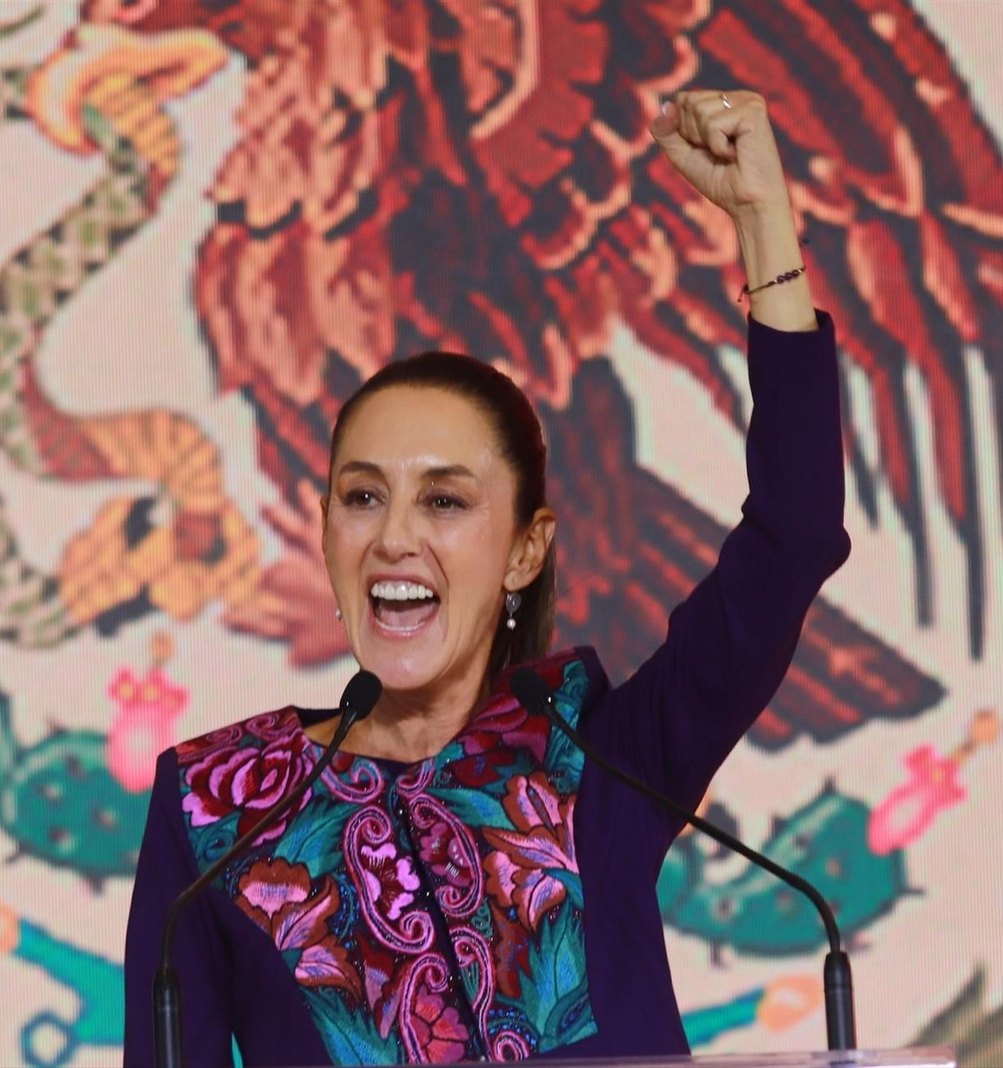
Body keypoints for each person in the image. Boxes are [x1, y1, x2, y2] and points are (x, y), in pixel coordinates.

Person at [123, 87, 852, 1066]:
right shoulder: (216, 810)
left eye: (445, 501)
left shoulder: (600, 759)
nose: (395, 538)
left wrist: (765, 225)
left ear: (523, 551)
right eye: (363, 497)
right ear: (326, 533)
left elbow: (794, 536)